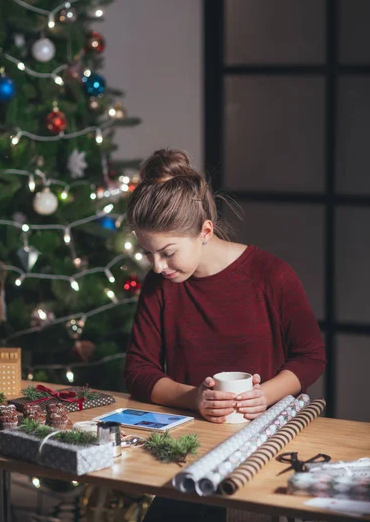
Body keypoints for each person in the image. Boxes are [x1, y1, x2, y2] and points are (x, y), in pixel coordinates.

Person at [124, 148, 326, 522]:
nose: (158, 267)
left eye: (167, 252)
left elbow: (311, 356)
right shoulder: (160, 286)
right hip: (190, 450)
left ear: (204, 230)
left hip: (263, 450)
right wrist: (193, 398)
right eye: (148, 254)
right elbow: (138, 369)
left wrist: (265, 394)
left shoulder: (272, 275)